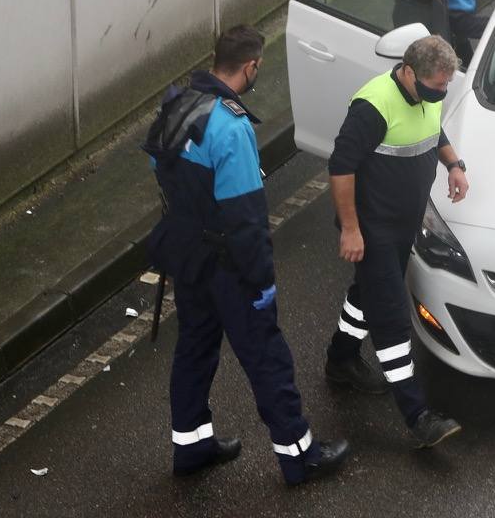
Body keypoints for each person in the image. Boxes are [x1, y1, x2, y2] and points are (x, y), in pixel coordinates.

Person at [142, 25, 349, 485]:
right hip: (229, 268)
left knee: (195, 349)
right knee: (267, 358)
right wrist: (260, 281)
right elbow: (246, 218)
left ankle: (191, 447)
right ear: (251, 66)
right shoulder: (231, 128)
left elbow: (159, 165)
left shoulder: (178, 104)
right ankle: (300, 456)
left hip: (188, 257)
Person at [323, 35, 470, 448]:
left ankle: (340, 360)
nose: (440, 93)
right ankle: (417, 415)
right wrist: (351, 230)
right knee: (390, 314)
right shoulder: (373, 105)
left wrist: (454, 165)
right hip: (373, 229)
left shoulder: (430, 91)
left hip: (405, 222)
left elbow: (431, 130)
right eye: (434, 85)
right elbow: (340, 166)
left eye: (445, 86)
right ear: (408, 71)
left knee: (366, 293)